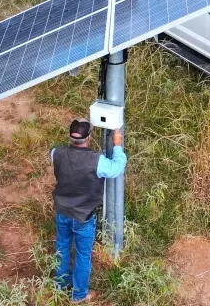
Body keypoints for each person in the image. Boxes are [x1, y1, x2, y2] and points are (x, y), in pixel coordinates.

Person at [51, 118, 127, 303]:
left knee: (61, 248)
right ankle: (79, 294)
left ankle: (60, 286)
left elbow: (56, 156)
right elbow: (116, 168)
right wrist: (117, 146)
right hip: (84, 217)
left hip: (62, 211)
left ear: (71, 137)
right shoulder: (97, 162)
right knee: (83, 255)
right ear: (90, 137)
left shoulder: (56, 153)